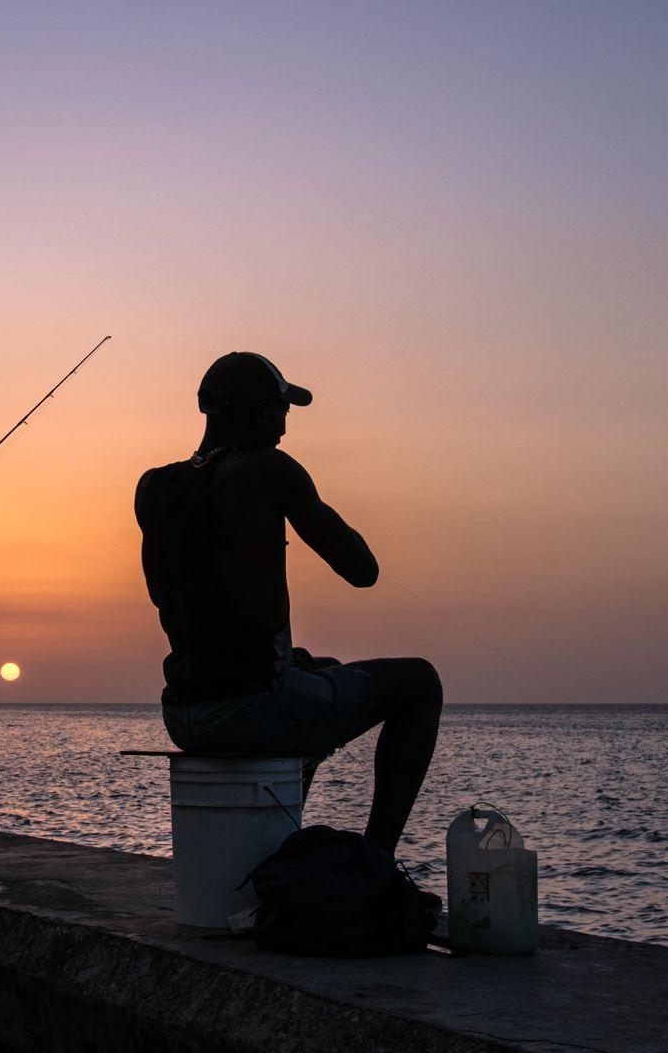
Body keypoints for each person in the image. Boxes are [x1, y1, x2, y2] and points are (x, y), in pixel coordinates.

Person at [136, 352, 443, 855]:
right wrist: (297, 500)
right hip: (249, 709)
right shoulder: (267, 469)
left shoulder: (153, 487)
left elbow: (175, 594)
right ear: (257, 414)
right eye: (281, 411)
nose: (284, 428)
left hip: (184, 711)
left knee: (324, 668)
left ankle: (275, 845)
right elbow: (362, 571)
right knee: (420, 683)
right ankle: (377, 862)